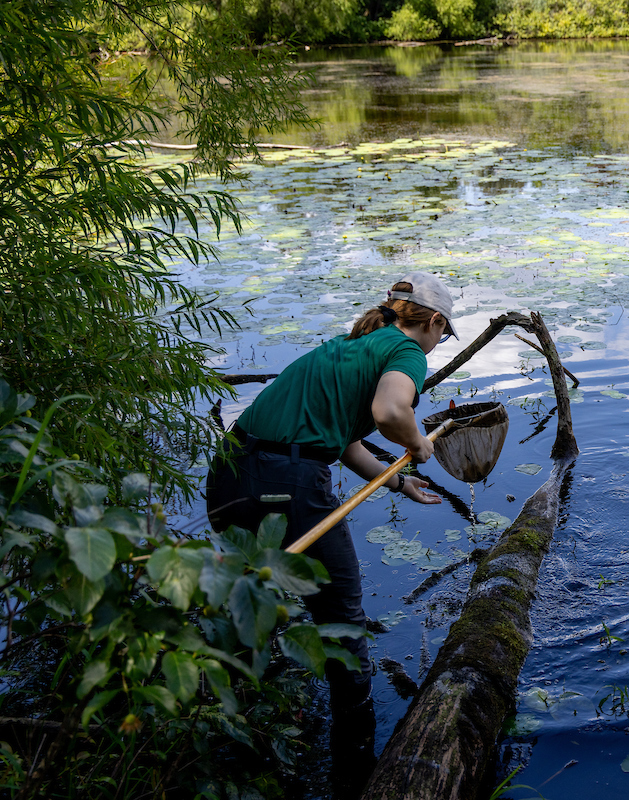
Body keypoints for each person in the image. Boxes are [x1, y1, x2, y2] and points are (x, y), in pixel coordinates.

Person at [205, 271, 457, 796]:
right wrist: (420, 444)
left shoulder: (349, 347)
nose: (439, 343)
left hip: (230, 471)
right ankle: (357, 757)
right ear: (434, 321)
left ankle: (225, 720)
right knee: (343, 619)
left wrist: (401, 482)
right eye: (444, 334)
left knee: (250, 593)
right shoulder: (406, 354)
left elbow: (340, 439)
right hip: (289, 482)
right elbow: (390, 412)